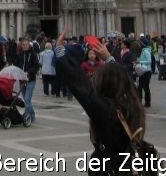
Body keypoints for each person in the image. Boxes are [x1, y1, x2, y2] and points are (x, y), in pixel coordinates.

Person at [56, 32, 148, 174]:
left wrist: (60, 52)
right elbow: (126, 81)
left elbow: (79, 84)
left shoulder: (106, 110)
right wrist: (109, 58)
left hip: (109, 167)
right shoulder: (132, 102)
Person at [14, 36, 40, 123]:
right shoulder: (19, 55)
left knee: (27, 99)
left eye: (26, 45)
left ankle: (28, 116)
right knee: (25, 100)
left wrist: (29, 72)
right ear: (21, 45)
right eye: (23, 45)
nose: (25, 46)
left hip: (30, 80)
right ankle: (31, 115)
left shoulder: (33, 54)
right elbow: (17, 66)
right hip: (22, 80)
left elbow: (37, 66)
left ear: (29, 45)